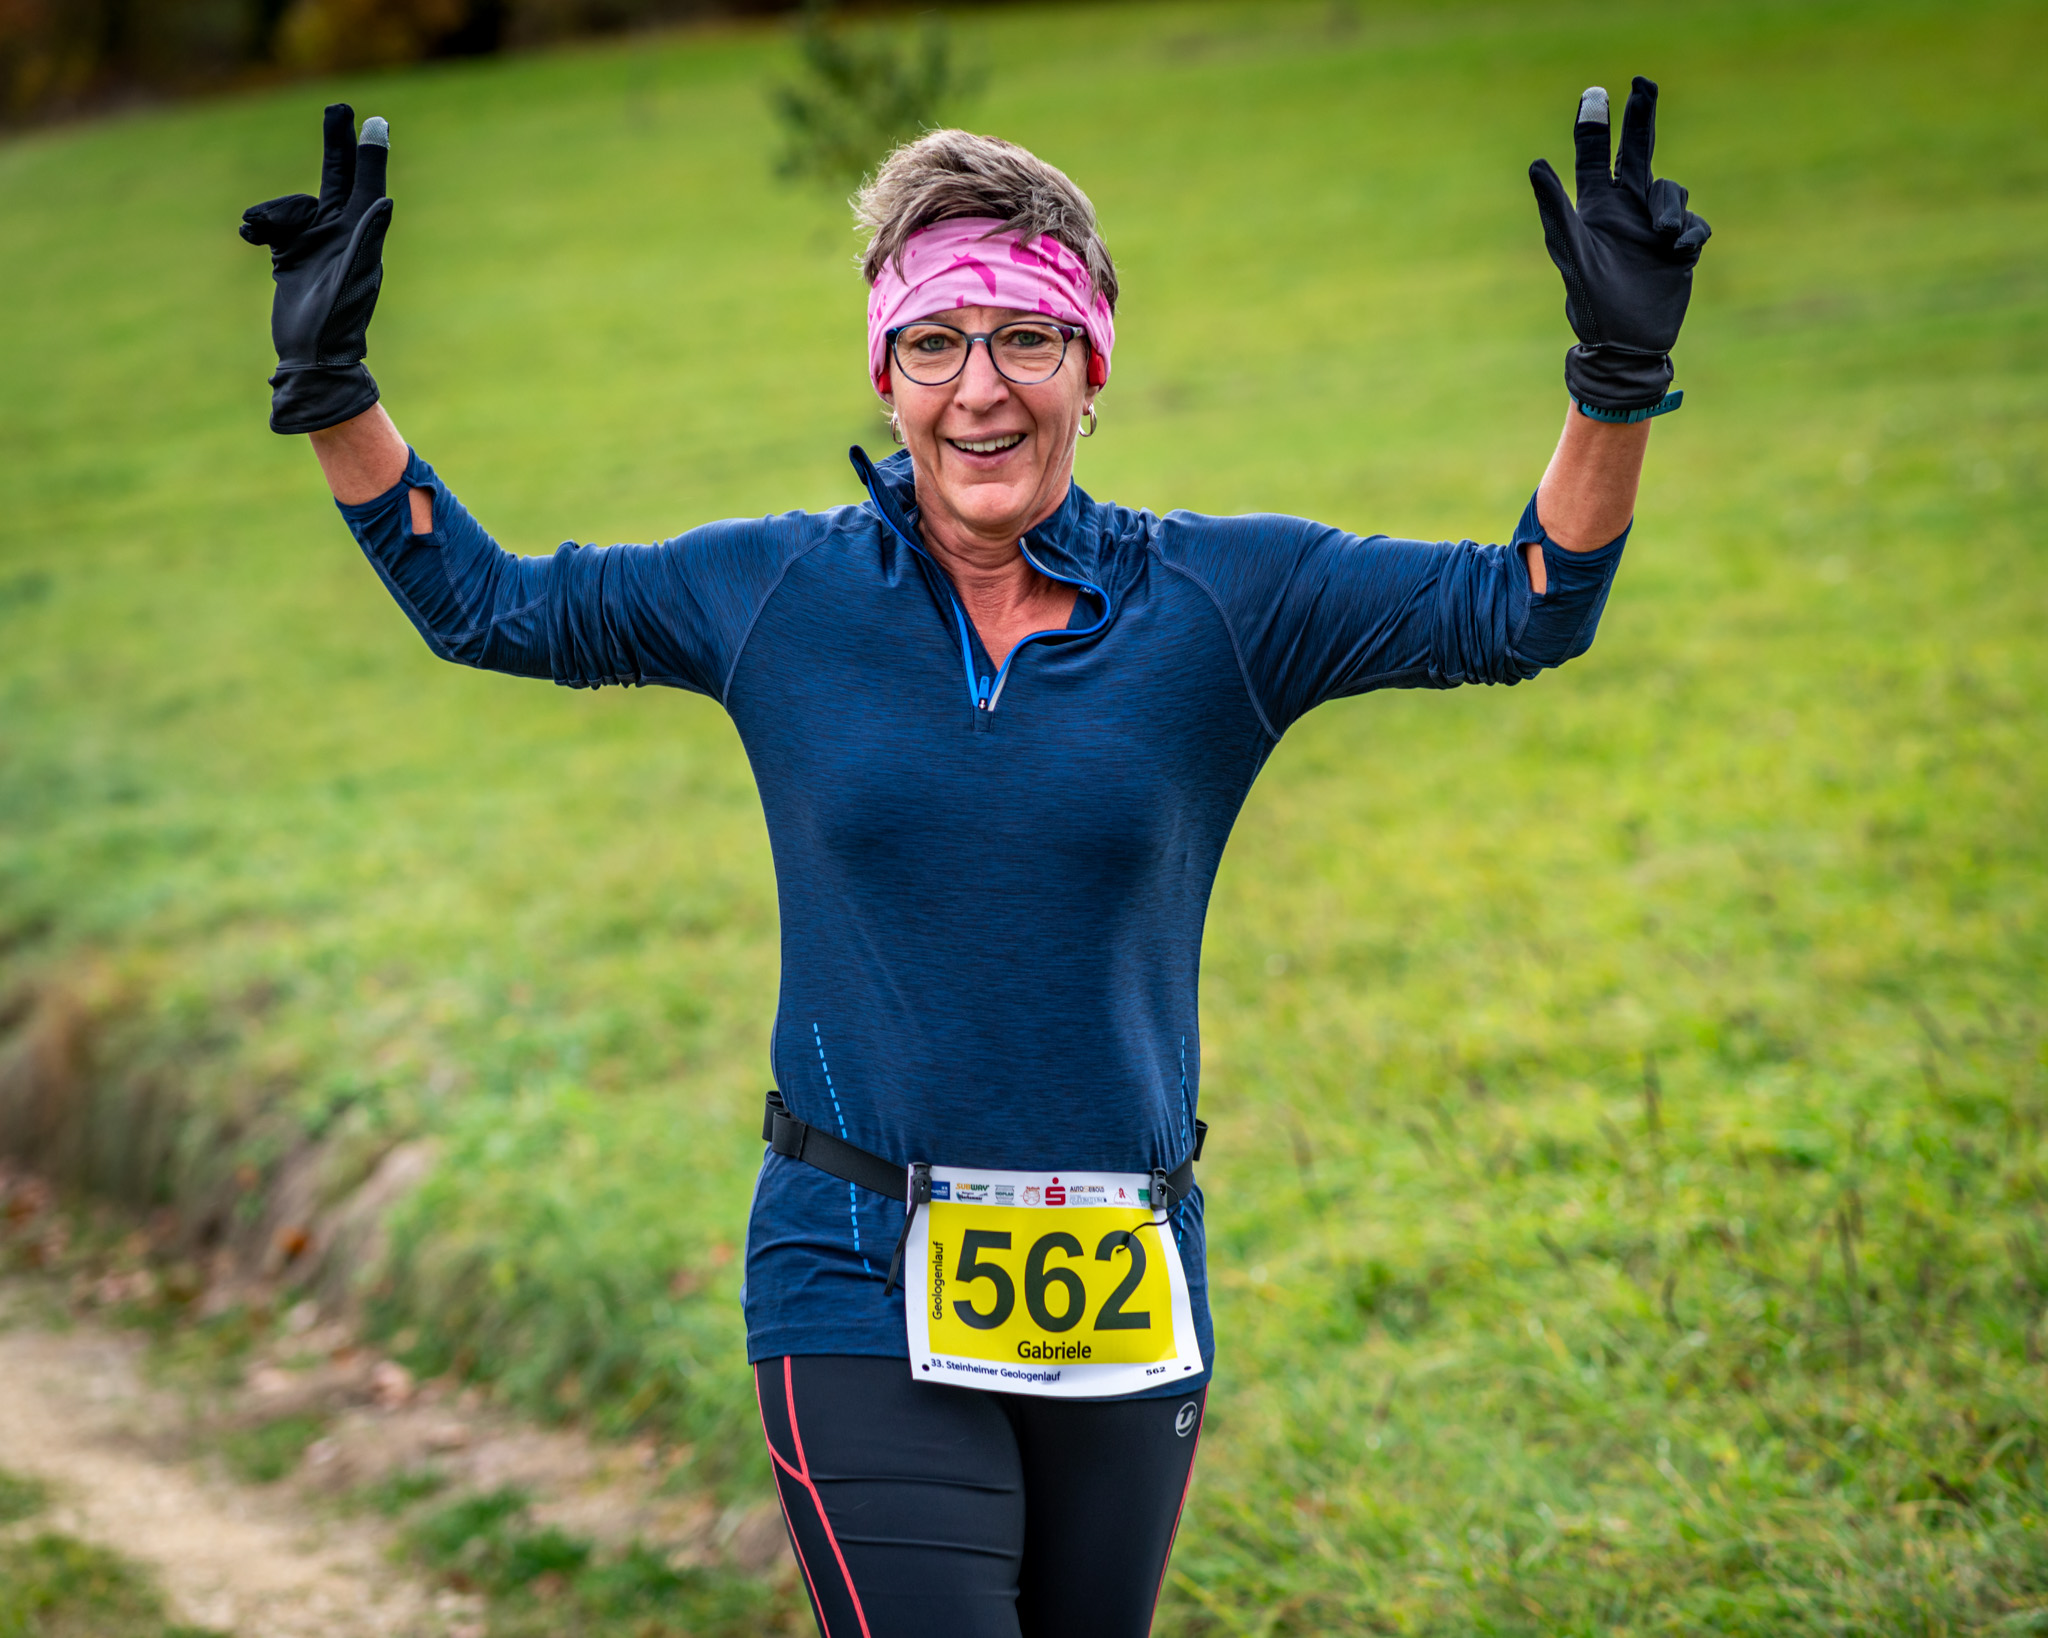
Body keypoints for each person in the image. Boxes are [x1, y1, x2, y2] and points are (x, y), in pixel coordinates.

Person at [240, 81, 1707, 1638]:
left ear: (1092, 364)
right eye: (934, 342)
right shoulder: (780, 594)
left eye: (1026, 339)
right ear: (887, 375)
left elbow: (1523, 605)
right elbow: (491, 605)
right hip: (852, 1262)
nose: (980, 389)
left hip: (1123, 1282)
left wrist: (1615, 383)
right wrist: (334, 387)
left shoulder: (1225, 604)